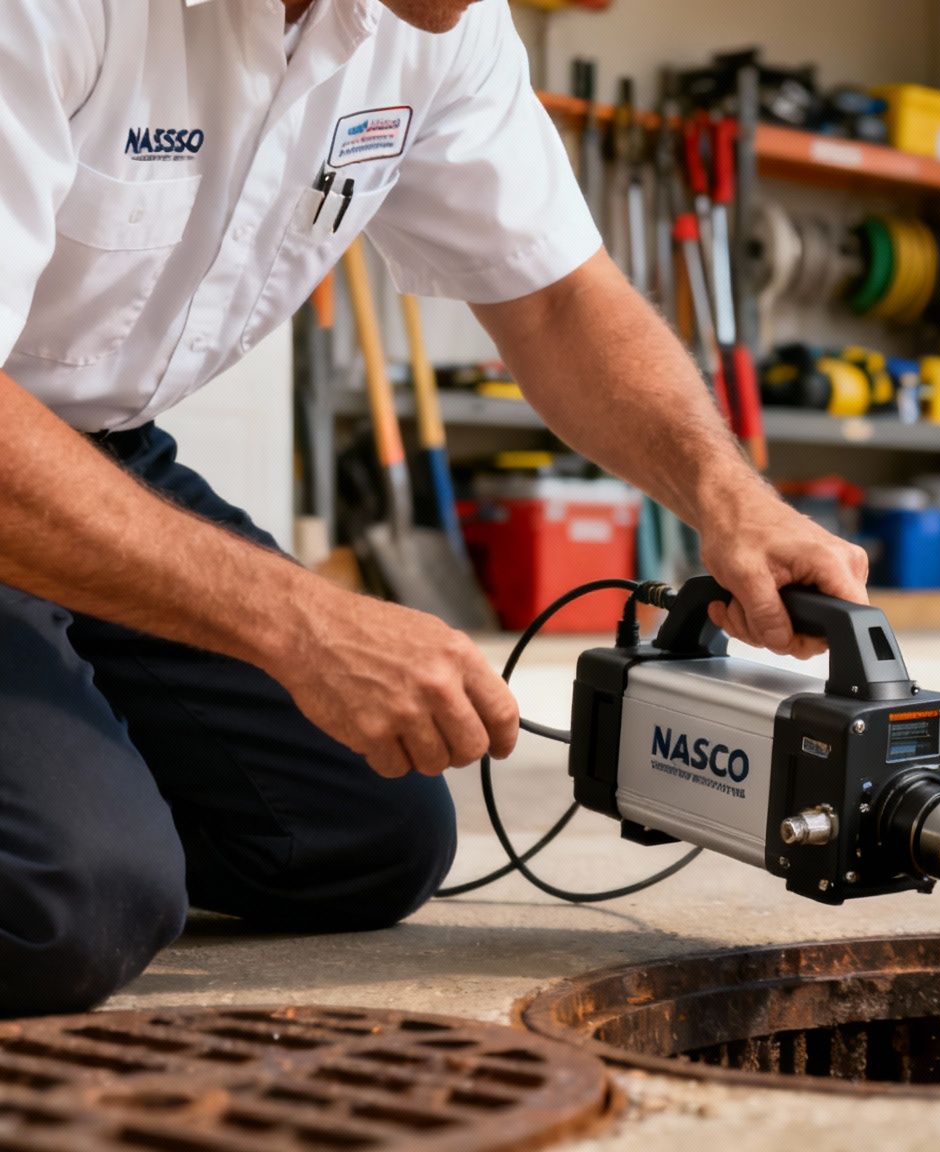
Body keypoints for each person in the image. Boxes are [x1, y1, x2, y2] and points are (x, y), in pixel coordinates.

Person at [0, 0, 869, 1017]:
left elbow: (552, 300)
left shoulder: (436, 25)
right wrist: (302, 623)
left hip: (87, 455)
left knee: (363, 835)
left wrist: (729, 497)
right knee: (67, 901)